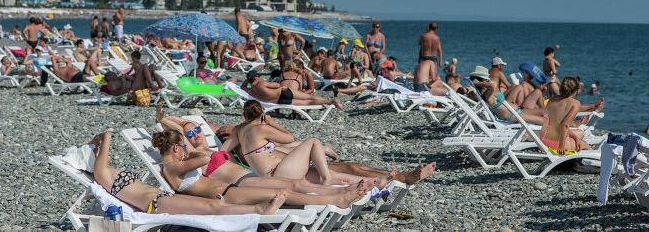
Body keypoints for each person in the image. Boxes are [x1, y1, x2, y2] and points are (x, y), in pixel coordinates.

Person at [157, 104, 437, 186]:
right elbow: (176, 128)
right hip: (280, 169)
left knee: (353, 167)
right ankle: (402, 178)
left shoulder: (226, 132)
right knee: (350, 168)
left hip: (288, 158)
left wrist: (194, 124)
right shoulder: (220, 146)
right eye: (191, 132)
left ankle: (396, 179)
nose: (195, 133)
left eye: (198, 129)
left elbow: (283, 145)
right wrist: (167, 120)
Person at [152, 129, 367, 208]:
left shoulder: (177, 164)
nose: (185, 151)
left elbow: (200, 160)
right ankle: (337, 198)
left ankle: (339, 195)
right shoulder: (171, 168)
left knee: (286, 191)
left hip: (229, 189)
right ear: (176, 148)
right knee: (284, 193)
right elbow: (200, 161)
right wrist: (195, 154)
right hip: (226, 195)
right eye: (183, 147)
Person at [90, 132, 285, 216]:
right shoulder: (103, 173)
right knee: (212, 206)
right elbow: (103, 152)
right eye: (97, 156)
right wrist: (104, 138)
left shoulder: (112, 172)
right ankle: (259, 210)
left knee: (216, 204)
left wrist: (97, 149)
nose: (103, 155)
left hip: (163, 197)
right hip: (155, 204)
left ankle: (259, 209)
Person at [224, 100, 395, 187]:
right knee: (313, 141)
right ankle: (327, 180)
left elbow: (222, 152)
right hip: (277, 174)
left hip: (275, 173)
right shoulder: (261, 128)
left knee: (327, 173)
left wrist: (236, 169)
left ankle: (374, 182)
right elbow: (289, 138)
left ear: (244, 116)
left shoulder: (239, 130)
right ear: (261, 114)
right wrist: (271, 123)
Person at [241, 70, 345, 110]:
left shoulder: (250, 91)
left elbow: (243, 86)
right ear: (256, 77)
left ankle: (331, 102)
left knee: (308, 102)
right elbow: (277, 85)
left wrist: (248, 82)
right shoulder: (262, 83)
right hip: (284, 92)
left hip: (280, 101)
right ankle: (331, 101)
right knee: (309, 97)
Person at [540, 77, 593, 155]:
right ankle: (598, 162)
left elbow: (555, 125)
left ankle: (574, 142)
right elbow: (564, 125)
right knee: (584, 143)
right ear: (575, 91)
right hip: (556, 145)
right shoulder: (575, 104)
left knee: (581, 133)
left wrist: (575, 138)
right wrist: (561, 146)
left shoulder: (552, 99)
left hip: (543, 140)